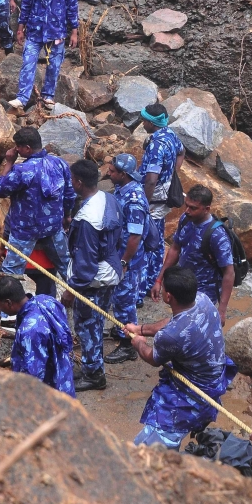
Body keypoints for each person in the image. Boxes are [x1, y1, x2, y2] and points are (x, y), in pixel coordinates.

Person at [0, 128, 75, 316]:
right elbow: (69, 195)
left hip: (25, 232)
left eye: (17, 147)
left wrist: (8, 162)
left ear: (26, 148)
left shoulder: (22, 171)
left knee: (8, 273)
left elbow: (0, 189)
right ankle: (86, 301)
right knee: (68, 268)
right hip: (53, 228)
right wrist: (66, 216)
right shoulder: (59, 164)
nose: (15, 150)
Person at [125, 266, 236, 449]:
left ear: (169, 297)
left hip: (195, 393)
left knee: (143, 449)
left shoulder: (169, 337)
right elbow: (174, 322)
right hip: (214, 379)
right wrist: (141, 329)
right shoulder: (202, 300)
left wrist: (138, 342)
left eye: (163, 289)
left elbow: (152, 358)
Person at [64, 159, 123, 392]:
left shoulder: (88, 219)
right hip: (110, 270)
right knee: (97, 322)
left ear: (78, 183)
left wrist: (71, 291)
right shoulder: (109, 198)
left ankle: (94, 373)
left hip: (94, 278)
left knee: (87, 324)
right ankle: (92, 365)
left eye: (72, 180)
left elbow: (85, 264)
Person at [152, 185, 235, 322]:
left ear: (206, 209)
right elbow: (175, 249)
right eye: (187, 206)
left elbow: (229, 272)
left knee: (192, 326)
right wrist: (159, 280)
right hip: (185, 285)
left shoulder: (217, 235)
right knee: (181, 321)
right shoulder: (186, 219)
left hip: (205, 291)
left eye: (193, 208)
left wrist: (221, 310)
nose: (187, 211)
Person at [13, 0, 79, 110]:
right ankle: (22, 97)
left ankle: (48, 96)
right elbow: (26, 6)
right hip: (35, 32)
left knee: (54, 66)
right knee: (28, 63)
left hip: (56, 33)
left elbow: (72, 11)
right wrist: (20, 29)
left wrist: (74, 33)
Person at [0, 277, 76, 397]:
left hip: (49, 395)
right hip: (64, 377)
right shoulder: (47, 300)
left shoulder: (29, 331)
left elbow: (34, 374)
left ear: (9, 303)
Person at [105, 154, 151, 364]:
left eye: (113, 171)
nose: (108, 173)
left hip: (128, 258)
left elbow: (134, 236)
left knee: (125, 300)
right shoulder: (122, 189)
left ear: (123, 174)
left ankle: (128, 345)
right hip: (119, 253)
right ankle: (120, 329)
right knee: (118, 297)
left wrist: (123, 262)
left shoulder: (133, 199)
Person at [138, 103, 185, 304]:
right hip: (164, 192)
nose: (142, 123)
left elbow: (150, 178)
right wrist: (173, 172)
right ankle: (153, 280)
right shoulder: (170, 135)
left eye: (144, 120)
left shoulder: (157, 145)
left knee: (147, 240)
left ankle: (144, 286)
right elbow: (182, 152)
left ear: (151, 122)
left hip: (154, 197)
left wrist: (143, 203)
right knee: (156, 236)